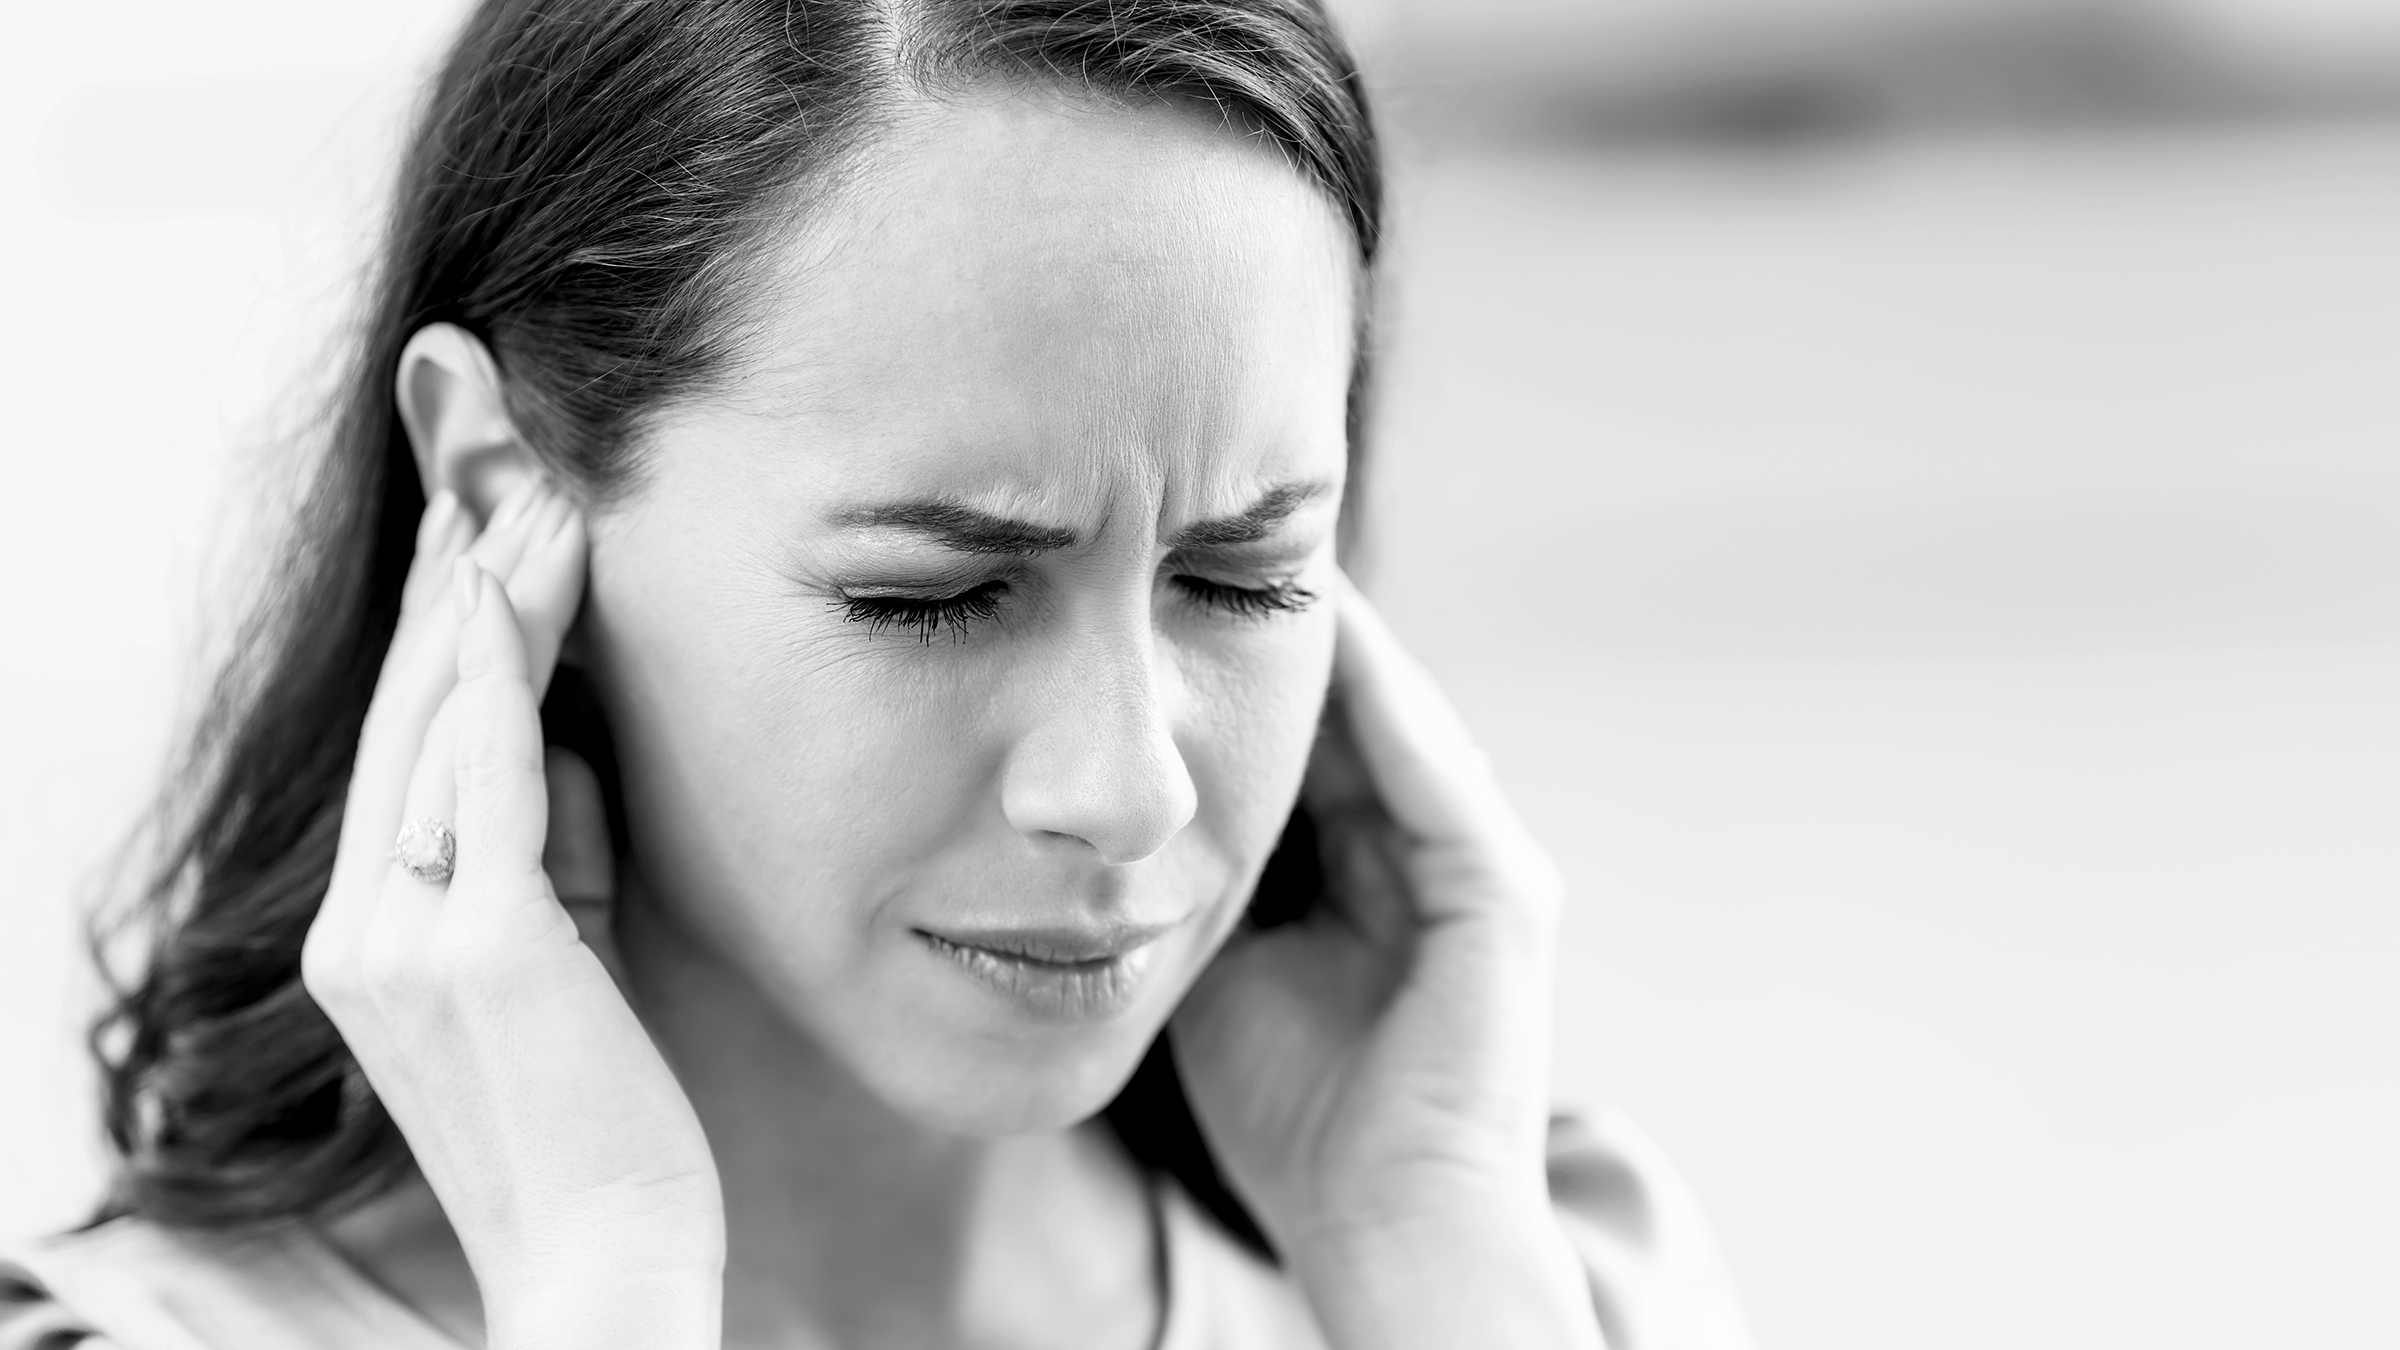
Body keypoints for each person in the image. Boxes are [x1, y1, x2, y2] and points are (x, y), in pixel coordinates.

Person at [1, 1, 1756, 1346]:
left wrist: (1427, 1249)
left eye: (1243, 573)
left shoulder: (1540, 1279)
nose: (1132, 784)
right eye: (936, 594)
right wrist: (607, 1281)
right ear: (500, 484)